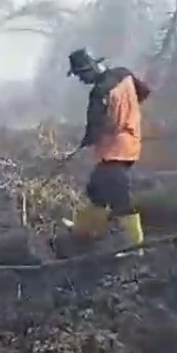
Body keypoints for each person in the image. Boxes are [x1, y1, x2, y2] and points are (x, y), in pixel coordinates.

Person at [63, 48, 151, 250]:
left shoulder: (99, 92)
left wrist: (82, 144)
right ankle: (83, 232)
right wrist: (127, 112)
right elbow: (143, 92)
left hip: (115, 150)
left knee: (120, 200)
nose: (81, 80)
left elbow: (94, 127)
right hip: (131, 142)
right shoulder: (124, 74)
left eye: (80, 75)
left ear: (89, 69)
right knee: (96, 189)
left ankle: (134, 248)